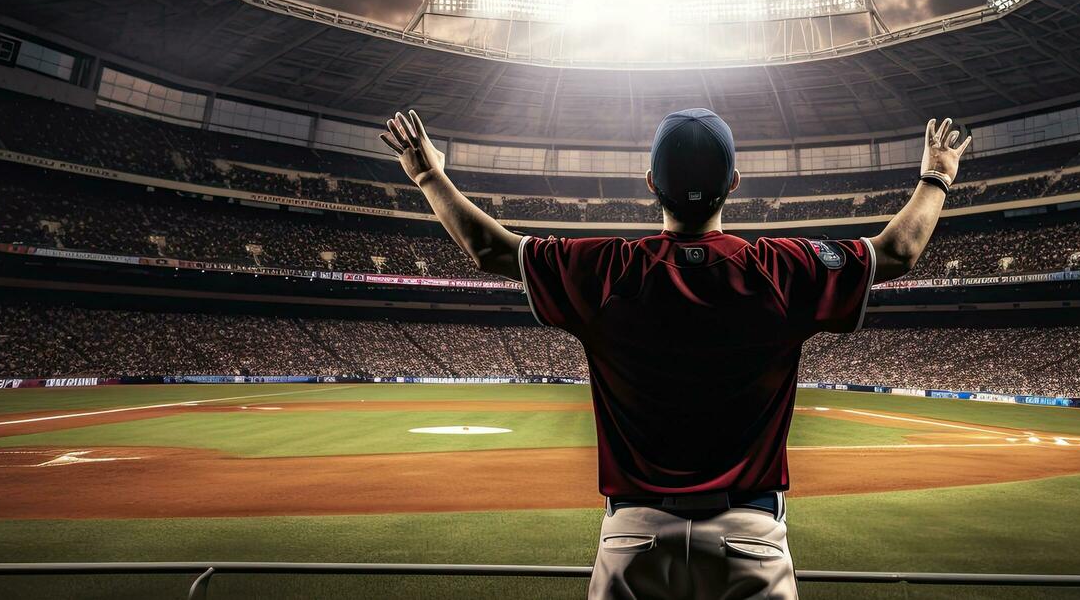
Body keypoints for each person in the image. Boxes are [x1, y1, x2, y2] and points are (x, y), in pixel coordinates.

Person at [381, 107, 970, 599]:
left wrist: (429, 176)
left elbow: (490, 248)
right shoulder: (781, 268)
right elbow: (897, 251)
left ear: (650, 182)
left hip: (634, 538)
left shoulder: (605, 267)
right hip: (752, 539)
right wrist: (937, 177)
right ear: (733, 182)